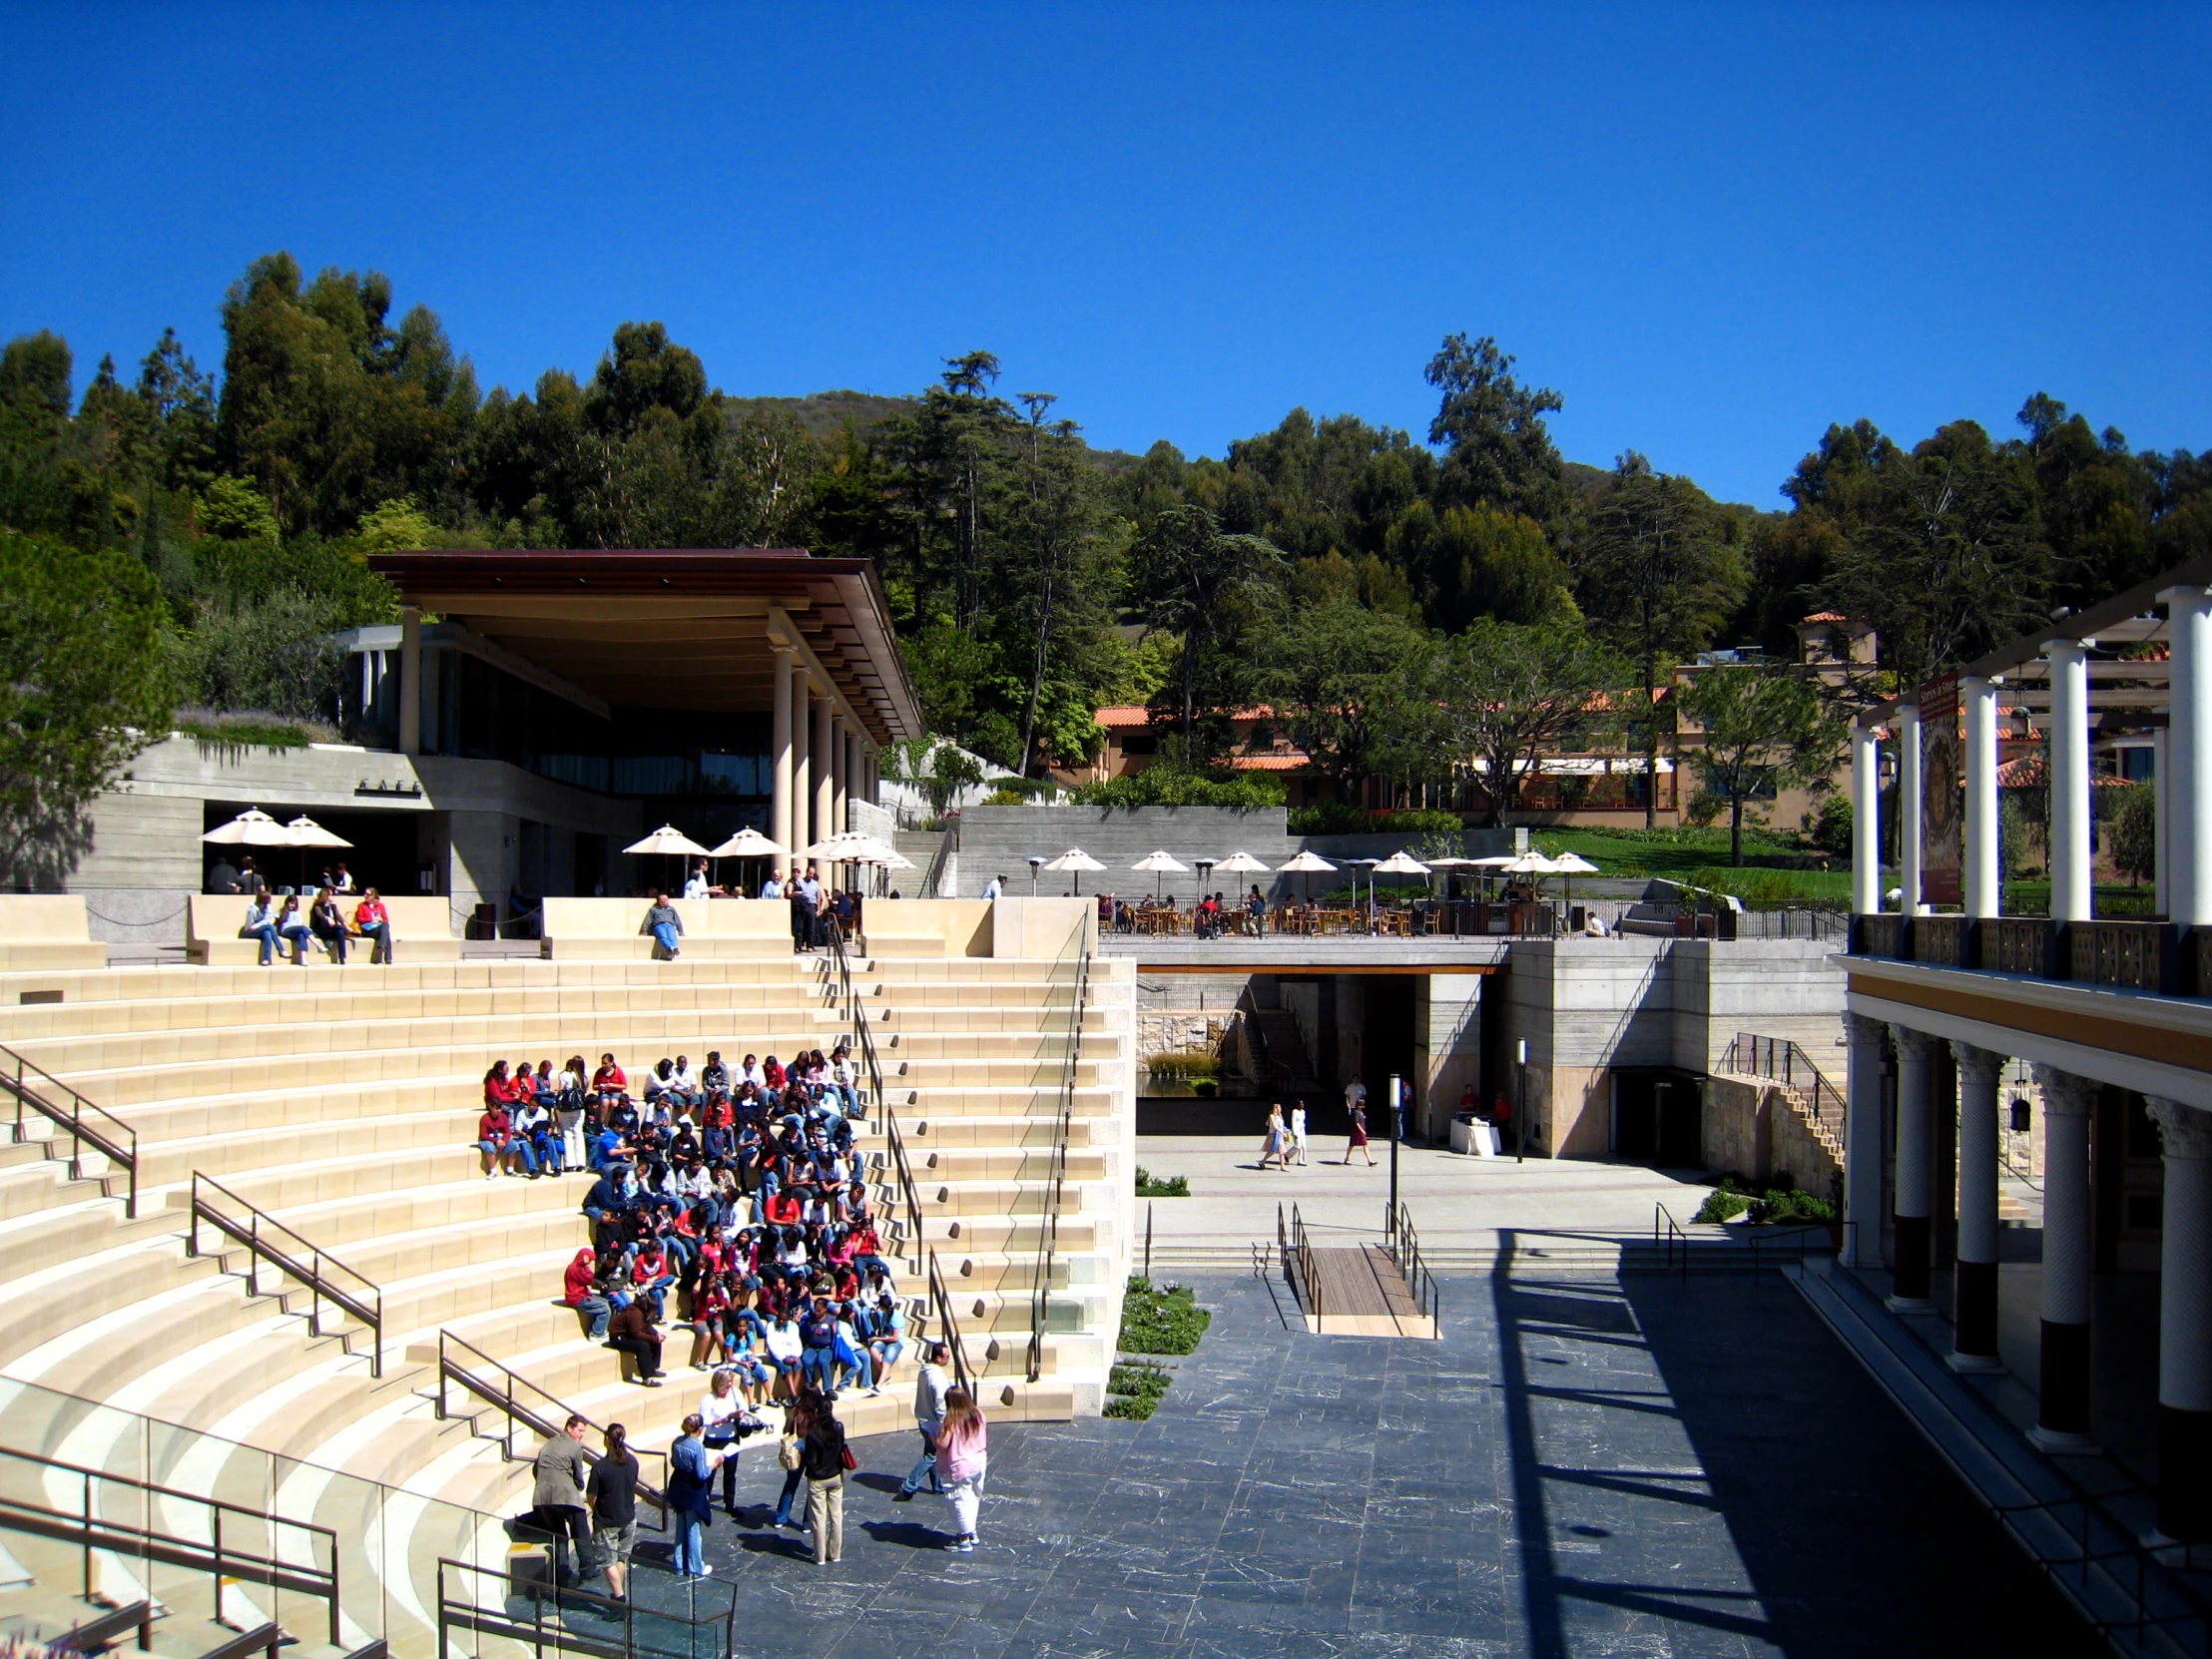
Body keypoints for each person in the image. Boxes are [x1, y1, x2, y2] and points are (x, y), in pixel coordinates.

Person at [532, 1414, 594, 1586]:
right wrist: (578, 1486)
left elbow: (536, 1468)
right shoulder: (575, 1447)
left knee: (559, 1536)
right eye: (580, 1430)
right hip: (565, 1495)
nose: (582, 1435)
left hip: (543, 1497)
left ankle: (562, 1572)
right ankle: (587, 1567)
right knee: (581, 1529)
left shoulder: (548, 1443)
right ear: (569, 1428)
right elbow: (579, 1476)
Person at [667, 1412, 724, 1579]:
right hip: (692, 1490)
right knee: (693, 1530)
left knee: (680, 1528)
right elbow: (701, 1474)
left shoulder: (676, 1442)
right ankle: (695, 1567)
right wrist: (715, 1464)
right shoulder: (697, 1447)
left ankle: (679, 1566)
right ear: (699, 1429)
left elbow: (674, 1462)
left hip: (678, 1487)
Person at [587, 1422, 639, 1601]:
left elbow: (591, 1496)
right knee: (621, 1558)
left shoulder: (600, 1466)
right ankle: (619, 1590)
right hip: (628, 1517)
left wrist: (598, 1511)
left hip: (608, 1520)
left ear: (608, 1439)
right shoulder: (632, 1461)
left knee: (607, 1561)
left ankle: (619, 1598)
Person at [897, 1344, 952, 1500]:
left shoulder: (925, 1371)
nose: (949, 1359)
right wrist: (946, 1423)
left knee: (933, 1453)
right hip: (934, 1422)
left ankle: (938, 1486)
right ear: (938, 1358)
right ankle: (909, 1486)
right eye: (947, 1356)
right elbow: (941, 1403)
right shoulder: (937, 1378)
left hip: (924, 1419)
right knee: (932, 1455)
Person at [802, 1395, 850, 1566]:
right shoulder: (839, 1427)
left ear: (817, 1411)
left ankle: (820, 1556)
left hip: (818, 1480)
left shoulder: (813, 1434)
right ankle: (835, 1553)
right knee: (836, 1516)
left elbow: (811, 1461)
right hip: (836, 1476)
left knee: (818, 1518)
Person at [937, 1385, 987, 1552]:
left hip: (961, 1467)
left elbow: (942, 1444)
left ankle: (964, 1539)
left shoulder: (951, 1421)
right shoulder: (978, 1413)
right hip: (979, 1462)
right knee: (973, 1498)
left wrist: (932, 1435)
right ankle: (972, 1532)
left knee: (959, 1502)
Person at [699, 1370, 751, 1515]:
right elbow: (704, 1421)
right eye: (726, 1386)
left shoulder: (735, 1393)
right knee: (709, 1473)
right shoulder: (708, 1399)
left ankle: (730, 1504)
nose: (728, 1389)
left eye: (730, 1385)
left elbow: (744, 1407)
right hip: (713, 1440)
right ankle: (704, 1503)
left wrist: (740, 1413)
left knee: (730, 1473)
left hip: (731, 1437)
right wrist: (721, 1421)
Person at [606, 1298, 665, 1385]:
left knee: (655, 1340)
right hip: (618, 1339)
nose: (654, 1312)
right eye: (653, 1309)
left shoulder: (643, 1313)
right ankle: (647, 1378)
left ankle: (652, 1369)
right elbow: (637, 1334)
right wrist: (654, 1338)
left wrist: (656, 1335)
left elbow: (647, 1327)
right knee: (642, 1346)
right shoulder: (636, 1314)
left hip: (628, 1335)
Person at [563, 1247, 611, 1340]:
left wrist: (585, 1266)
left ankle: (600, 1328)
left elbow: (590, 1276)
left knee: (605, 1301)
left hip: (582, 1295)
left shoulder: (581, 1267)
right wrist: (586, 1267)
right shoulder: (574, 1269)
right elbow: (588, 1280)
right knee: (604, 1308)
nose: (589, 1263)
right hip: (576, 1298)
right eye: (588, 1260)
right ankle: (596, 1333)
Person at [243, 889, 282, 966]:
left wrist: (258, 925)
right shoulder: (252, 909)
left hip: (260, 929)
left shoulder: (267, 906)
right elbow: (249, 926)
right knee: (270, 927)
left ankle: (266, 959)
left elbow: (268, 918)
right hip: (249, 931)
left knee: (267, 933)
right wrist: (257, 926)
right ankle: (281, 950)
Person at [352, 888, 392, 963]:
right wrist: (371, 919)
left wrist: (379, 919)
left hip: (377, 928)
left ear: (373, 896)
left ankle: (381, 946)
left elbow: (386, 919)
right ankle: (388, 957)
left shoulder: (380, 906)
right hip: (367, 929)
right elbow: (360, 919)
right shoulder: (361, 905)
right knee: (386, 934)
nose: (365, 896)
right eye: (365, 894)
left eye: (368, 894)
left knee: (385, 926)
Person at [643, 891, 684, 959]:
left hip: (670, 925)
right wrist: (643, 931)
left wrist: (681, 931)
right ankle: (670, 947)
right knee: (663, 936)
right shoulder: (653, 909)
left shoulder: (671, 909)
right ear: (660, 901)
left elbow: (677, 920)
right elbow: (648, 920)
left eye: (667, 899)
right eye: (664, 900)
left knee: (672, 936)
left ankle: (673, 947)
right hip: (659, 926)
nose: (667, 901)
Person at [276, 893, 313, 964]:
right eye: (291, 903)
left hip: (296, 931)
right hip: (286, 930)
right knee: (302, 928)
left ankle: (303, 959)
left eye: (295, 904)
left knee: (301, 935)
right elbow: (275, 924)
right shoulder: (281, 911)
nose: (293, 905)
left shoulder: (297, 913)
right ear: (287, 902)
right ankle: (317, 944)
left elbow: (300, 924)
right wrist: (277, 934)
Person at [1346, 1097, 1375, 1166]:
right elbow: (1357, 1123)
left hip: (1361, 1131)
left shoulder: (1361, 1112)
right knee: (1351, 1145)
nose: (1362, 1106)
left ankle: (1369, 1160)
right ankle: (1347, 1158)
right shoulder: (1356, 1112)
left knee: (1365, 1145)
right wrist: (1362, 1130)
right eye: (1361, 1105)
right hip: (1357, 1131)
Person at [1259, 1103, 1288, 1171]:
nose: (1280, 1109)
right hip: (1273, 1135)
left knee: (1282, 1151)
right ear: (1276, 1109)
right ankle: (1262, 1161)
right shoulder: (1272, 1116)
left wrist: (1286, 1131)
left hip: (1280, 1135)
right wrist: (1282, 1133)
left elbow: (1282, 1126)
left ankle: (1282, 1166)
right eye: (1279, 1108)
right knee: (1272, 1150)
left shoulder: (1280, 1116)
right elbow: (1275, 1126)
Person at [1290, 1100, 1310, 1167]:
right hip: (1296, 1131)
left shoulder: (1303, 1112)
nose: (1302, 1105)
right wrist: (1294, 1133)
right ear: (1297, 1105)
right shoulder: (1294, 1111)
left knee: (1303, 1146)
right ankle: (1286, 1155)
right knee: (1297, 1146)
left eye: (1303, 1103)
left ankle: (1301, 1160)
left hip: (1302, 1130)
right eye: (1300, 1103)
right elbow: (1293, 1122)